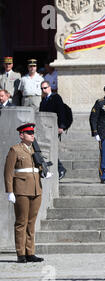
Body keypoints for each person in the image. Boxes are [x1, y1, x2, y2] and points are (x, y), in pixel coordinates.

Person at [4, 123, 48, 263]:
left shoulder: (36, 150)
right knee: (21, 222)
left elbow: (37, 168)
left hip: (36, 189)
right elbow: (8, 172)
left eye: (33, 132)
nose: (32, 135)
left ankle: (30, 252)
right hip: (21, 190)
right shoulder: (15, 150)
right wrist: (9, 191)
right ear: (21, 135)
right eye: (29, 133)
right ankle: (21, 253)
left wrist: (44, 172)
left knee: (31, 222)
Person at [39, 80, 68, 179]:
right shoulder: (43, 100)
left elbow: (61, 112)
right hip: (46, 128)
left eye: (45, 87)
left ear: (50, 87)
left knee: (52, 148)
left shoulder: (56, 97)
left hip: (54, 127)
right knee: (49, 149)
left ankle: (60, 169)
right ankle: (59, 169)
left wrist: (61, 126)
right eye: (42, 88)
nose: (44, 90)